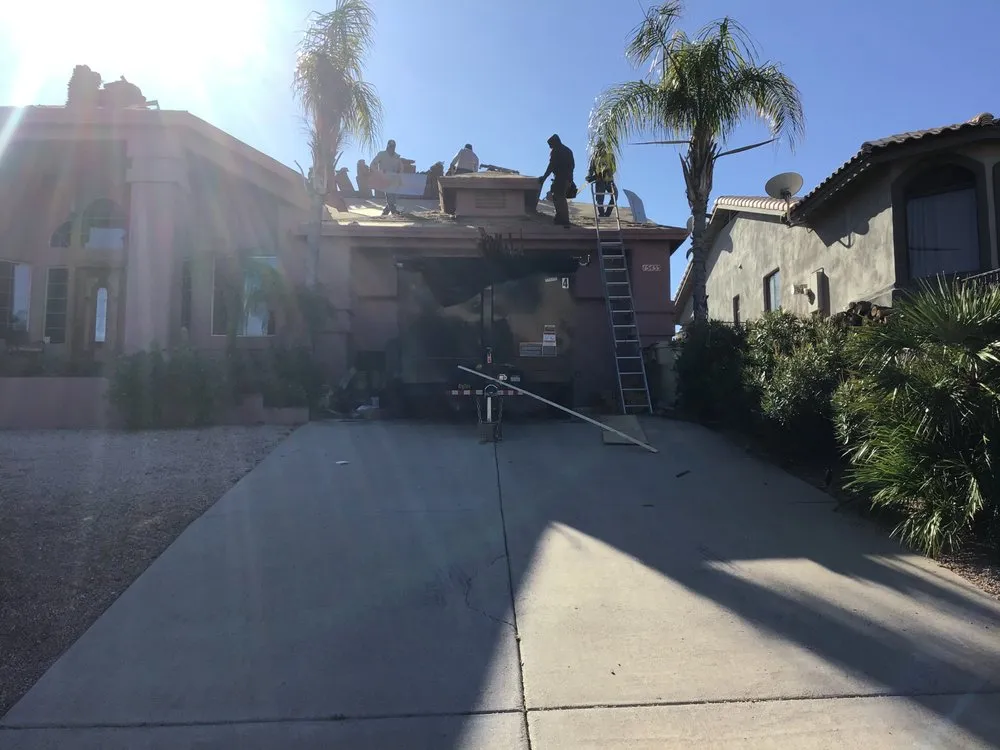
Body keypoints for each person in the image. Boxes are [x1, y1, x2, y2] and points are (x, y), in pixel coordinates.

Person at [538, 134, 575, 226]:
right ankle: (560, 217)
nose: (550, 147)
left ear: (554, 143)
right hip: (567, 178)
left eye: (550, 145)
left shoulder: (556, 151)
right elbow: (573, 166)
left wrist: (544, 177)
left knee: (559, 198)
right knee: (558, 197)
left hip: (561, 178)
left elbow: (551, 166)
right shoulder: (568, 150)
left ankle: (564, 220)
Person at [370, 139, 403, 216]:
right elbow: (372, 164)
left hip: (394, 179)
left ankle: (385, 213)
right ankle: (394, 212)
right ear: (387, 146)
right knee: (389, 196)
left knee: (393, 198)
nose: (392, 148)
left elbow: (400, 168)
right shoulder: (382, 154)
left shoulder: (397, 157)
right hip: (384, 178)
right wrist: (379, 172)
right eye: (390, 146)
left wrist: (399, 174)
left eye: (393, 146)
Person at [586, 145, 618, 217]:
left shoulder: (610, 156)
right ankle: (601, 213)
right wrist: (589, 176)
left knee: (615, 196)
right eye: (598, 148)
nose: (600, 150)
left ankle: (608, 213)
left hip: (609, 181)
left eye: (601, 148)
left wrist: (607, 172)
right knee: (599, 199)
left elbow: (613, 168)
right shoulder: (595, 158)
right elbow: (591, 169)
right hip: (599, 181)